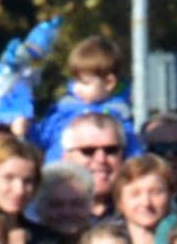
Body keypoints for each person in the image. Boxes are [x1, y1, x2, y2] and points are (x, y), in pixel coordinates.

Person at [31, 33, 135, 162]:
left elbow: (133, 153)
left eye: (85, 83)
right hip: (58, 175)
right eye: (75, 81)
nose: (76, 88)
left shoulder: (119, 117)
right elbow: (42, 136)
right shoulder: (64, 110)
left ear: (109, 83)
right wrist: (27, 129)